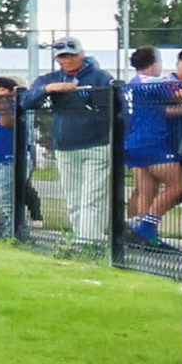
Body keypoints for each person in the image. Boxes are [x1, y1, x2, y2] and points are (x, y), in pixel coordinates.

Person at [28, 42, 116, 246]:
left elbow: (115, 105)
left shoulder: (101, 77)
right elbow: (26, 101)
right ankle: (80, 241)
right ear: (56, 58)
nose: (67, 60)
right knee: (74, 199)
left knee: (93, 198)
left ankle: (89, 243)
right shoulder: (51, 78)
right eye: (62, 56)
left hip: (97, 145)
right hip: (65, 147)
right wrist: (47, 89)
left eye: (72, 55)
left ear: (81, 55)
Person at [122, 50, 181, 246]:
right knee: (180, 185)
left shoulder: (132, 84)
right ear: (154, 63)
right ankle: (147, 227)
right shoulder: (153, 82)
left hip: (131, 142)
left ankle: (139, 234)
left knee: (146, 189)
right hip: (150, 142)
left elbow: (158, 111)